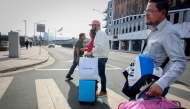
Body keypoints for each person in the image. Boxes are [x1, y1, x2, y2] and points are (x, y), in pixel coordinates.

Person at [138, 0, 187, 98]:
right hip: (143, 83)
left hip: (153, 87)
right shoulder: (153, 31)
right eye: (146, 11)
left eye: (150, 11)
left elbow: (180, 62)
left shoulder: (169, 32)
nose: (146, 14)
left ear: (163, 13)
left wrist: (162, 83)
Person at [86, 20, 110, 97]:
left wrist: (91, 52)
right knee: (99, 74)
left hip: (101, 57)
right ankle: (100, 90)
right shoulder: (98, 34)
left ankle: (103, 91)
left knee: (101, 74)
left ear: (96, 25)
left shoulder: (101, 33)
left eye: (92, 25)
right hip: (99, 57)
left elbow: (100, 46)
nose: (91, 27)